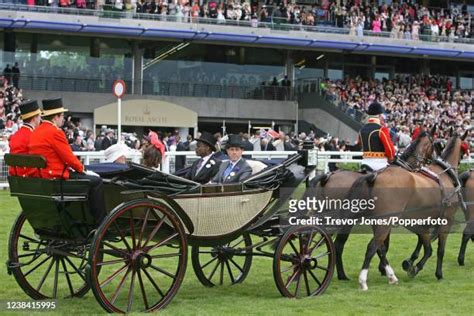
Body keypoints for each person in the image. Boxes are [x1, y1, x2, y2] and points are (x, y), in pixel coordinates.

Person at [28, 98, 106, 224]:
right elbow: (69, 158)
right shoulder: (55, 132)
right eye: (62, 116)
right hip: (57, 179)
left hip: (43, 178)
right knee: (96, 181)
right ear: (55, 117)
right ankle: (100, 222)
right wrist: (83, 170)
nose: (63, 119)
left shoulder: (36, 132)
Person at [358, 101, 396, 171]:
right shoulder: (382, 129)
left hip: (364, 163)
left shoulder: (361, 130)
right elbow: (390, 150)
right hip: (379, 164)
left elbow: (359, 144)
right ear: (379, 115)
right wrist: (391, 158)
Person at [8, 100, 42, 176]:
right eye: (39, 117)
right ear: (34, 118)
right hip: (31, 178)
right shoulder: (35, 136)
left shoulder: (15, 136)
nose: (40, 119)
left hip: (15, 177)